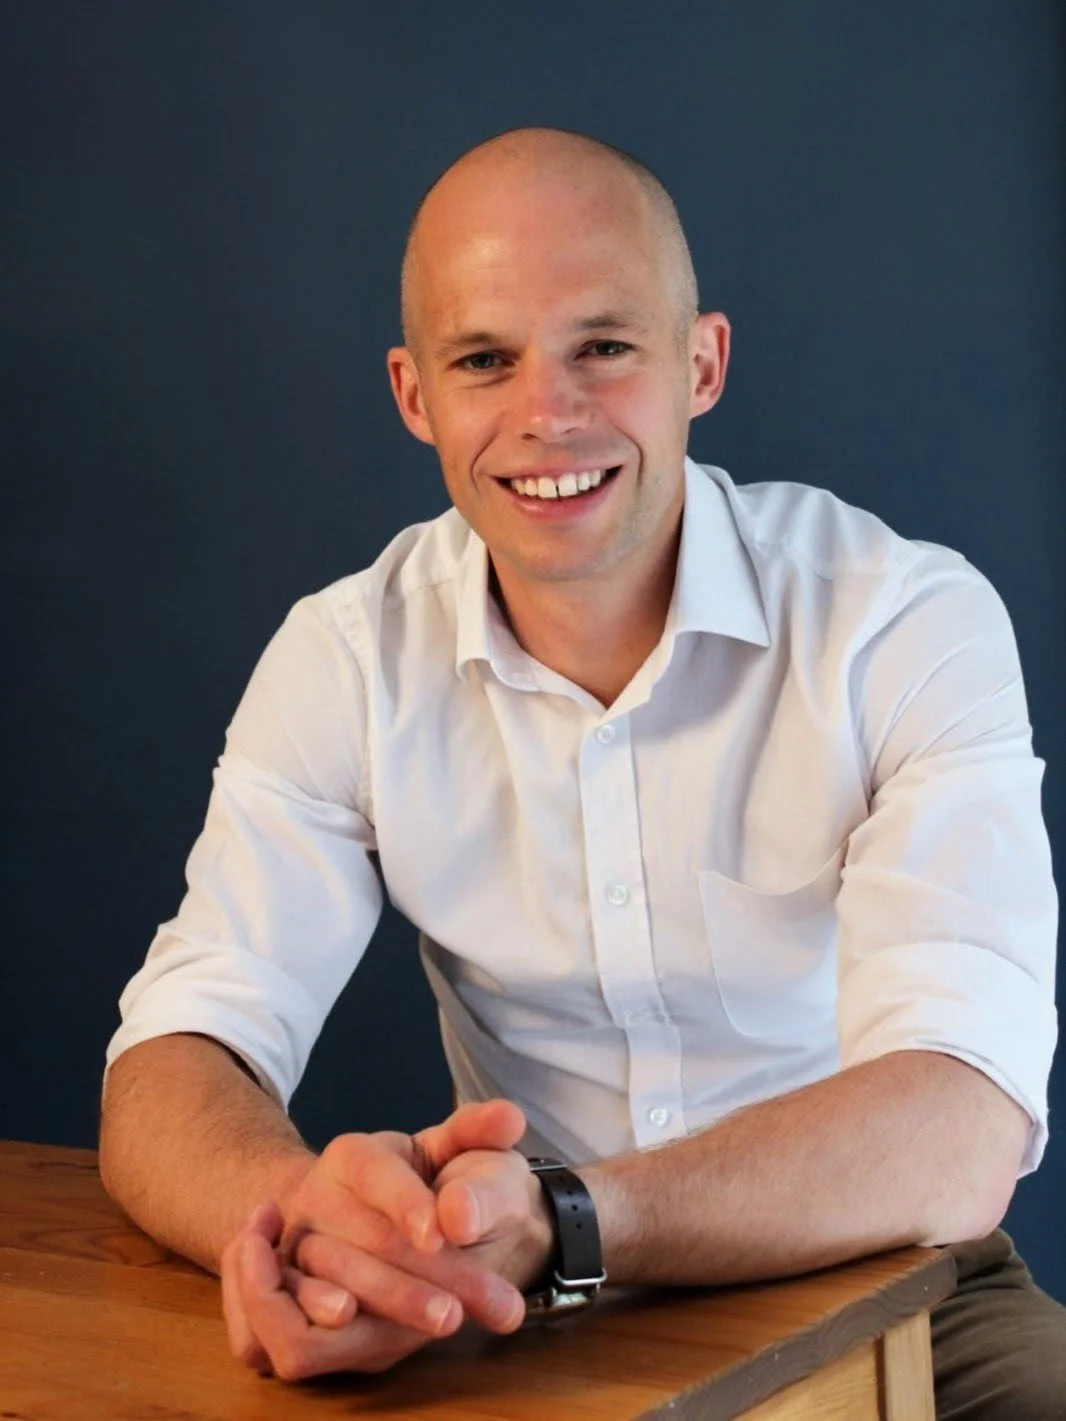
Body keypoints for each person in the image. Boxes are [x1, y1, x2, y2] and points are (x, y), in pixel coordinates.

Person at [99, 127, 1064, 1415]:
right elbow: (176, 1049)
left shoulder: (902, 623)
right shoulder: (345, 657)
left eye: (604, 347)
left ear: (700, 363)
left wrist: (567, 1219)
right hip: (518, 1316)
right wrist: (310, 1232)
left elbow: (960, 1124)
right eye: (484, 360)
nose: (548, 414)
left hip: (886, 1286)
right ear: (414, 396)